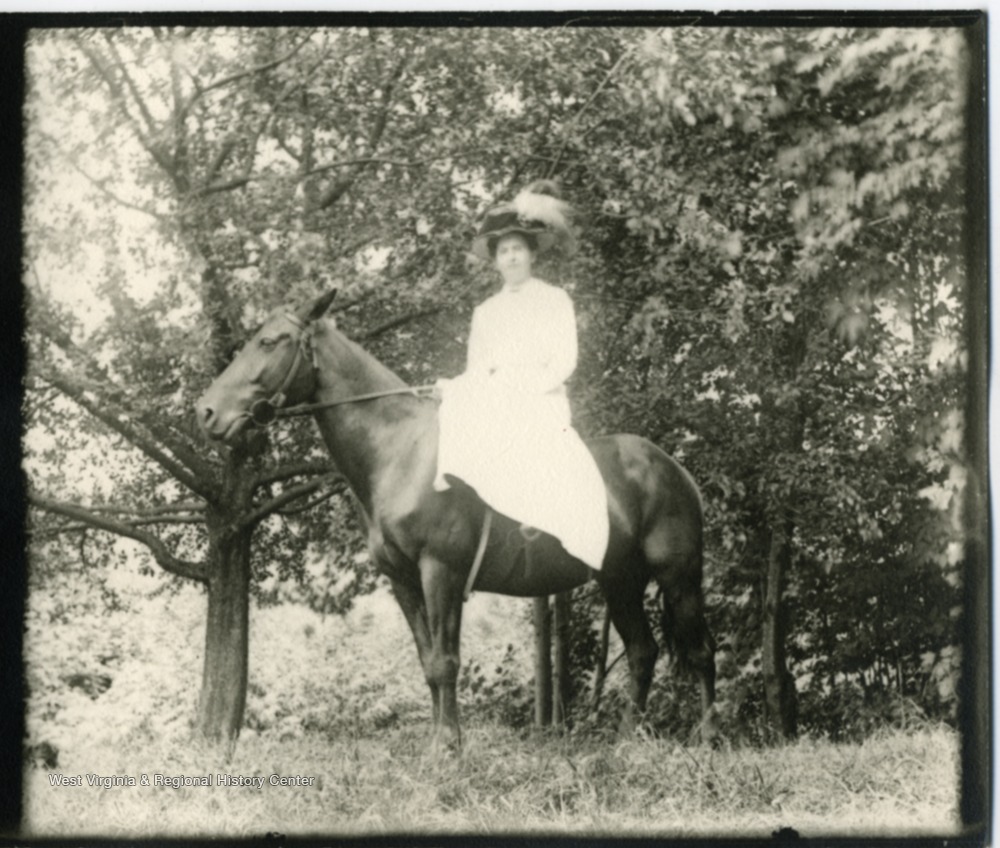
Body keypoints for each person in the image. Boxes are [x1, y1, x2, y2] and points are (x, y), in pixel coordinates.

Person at [434, 181, 609, 571]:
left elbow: (565, 360)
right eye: (503, 251)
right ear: (496, 261)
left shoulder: (554, 299)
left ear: (531, 254)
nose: (511, 257)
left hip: (542, 394)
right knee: (456, 408)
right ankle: (471, 508)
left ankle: (541, 515)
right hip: (497, 395)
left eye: (517, 249)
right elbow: (477, 370)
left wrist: (526, 387)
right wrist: (455, 387)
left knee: (531, 429)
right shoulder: (485, 312)